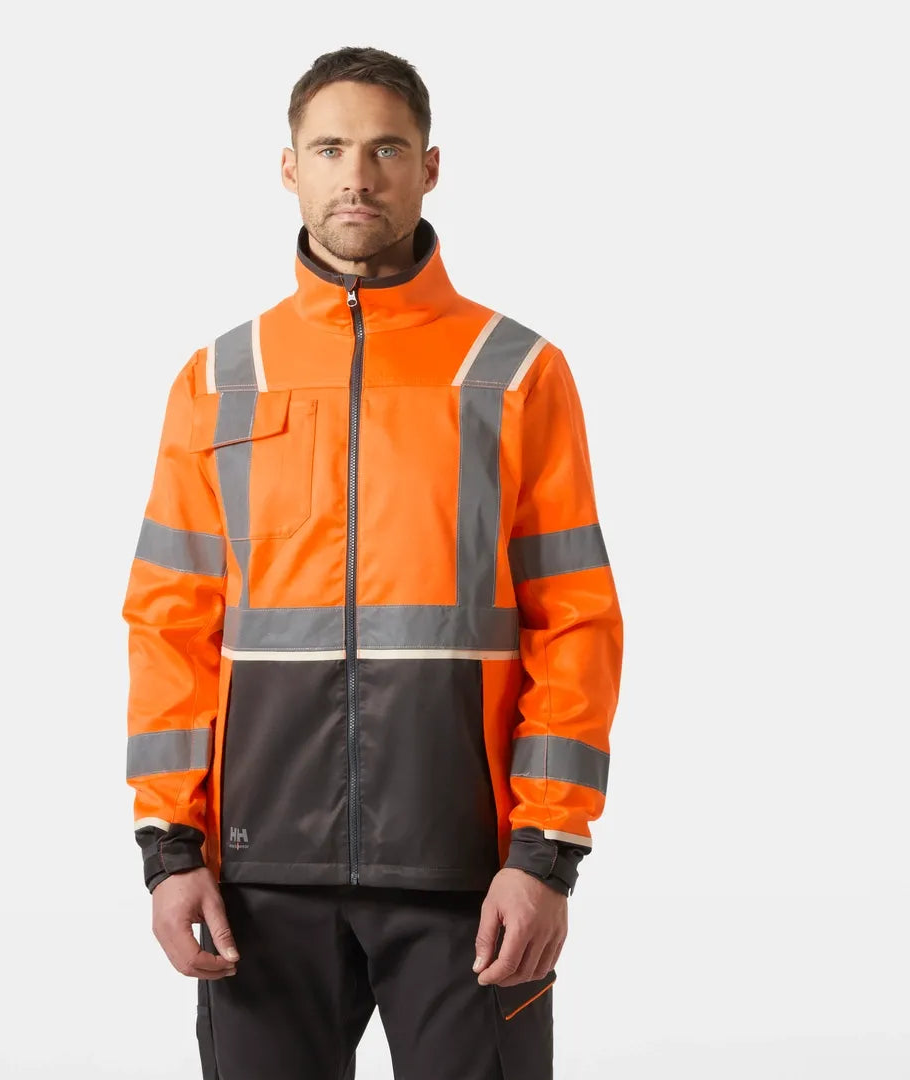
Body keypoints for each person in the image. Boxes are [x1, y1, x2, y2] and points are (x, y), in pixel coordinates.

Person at [123, 45, 624, 1080]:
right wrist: (170, 851)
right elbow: (169, 623)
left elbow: (574, 621)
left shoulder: (516, 372)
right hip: (259, 878)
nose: (357, 175)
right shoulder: (220, 379)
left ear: (429, 167)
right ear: (289, 167)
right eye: (331, 149)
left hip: (469, 874)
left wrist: (545, 855)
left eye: (386, 149)